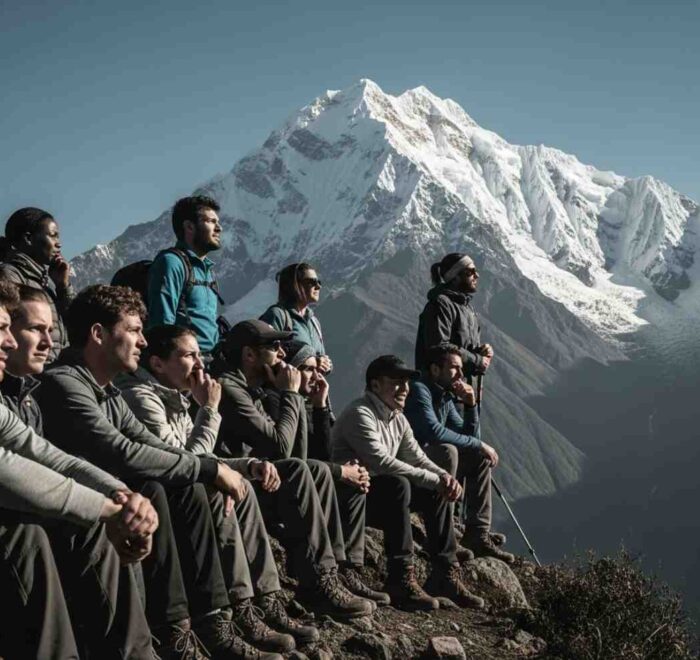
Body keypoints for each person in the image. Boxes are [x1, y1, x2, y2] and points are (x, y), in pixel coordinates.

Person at [36, 285, 284, 660]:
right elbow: (123, 453)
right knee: (165, 486)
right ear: (99, 334)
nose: (142, 341)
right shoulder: (64, 383)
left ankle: (207, 622)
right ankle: (172, 634)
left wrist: (218, 468)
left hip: (110, 495)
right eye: (134, 330)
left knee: (188, 485)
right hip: (77, 508)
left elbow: (157, 448)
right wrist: (209, 467)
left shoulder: (105, 392)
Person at [117, 324, 319, 647]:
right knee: (215, 490)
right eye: (189, 356)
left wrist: (248, 467)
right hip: (167, 498)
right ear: (157, 364)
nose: (200, 364)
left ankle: (262, 600)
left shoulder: (177, 396)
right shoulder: (143, 399)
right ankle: (226, 614)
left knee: (243, 485)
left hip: (182, 485)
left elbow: (203, 457)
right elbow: (184, 463)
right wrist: (209, 410)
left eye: (200, 355)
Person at [0, 279, 158, 659]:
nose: (7, 341)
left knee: (116, 509)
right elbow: (7, 468)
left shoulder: (27, 400)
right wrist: (110, 510)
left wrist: (122, 498)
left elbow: (44, 454)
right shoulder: (63, 384)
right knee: (25, 536)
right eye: (3, 329)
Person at [211, 319, 374, 619]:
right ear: (249, 355)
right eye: (273, 347)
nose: (282, 354)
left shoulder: (252, 390)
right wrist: (291, 394)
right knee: (302, 471)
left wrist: (302, 400)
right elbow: (281, 450)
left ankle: (329, 574)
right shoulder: (231, 390)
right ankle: (318, 582)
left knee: (317, 471)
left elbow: (296, 454)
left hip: (257, 480)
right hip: (235, 489)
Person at [332, 355, 485, 611]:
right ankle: (400, 578)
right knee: (398, 484)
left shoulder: (397, 418)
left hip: (382, 496)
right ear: (375, 385)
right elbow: (382, 462)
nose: (405, 389)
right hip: (353, 499)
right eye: (396, 382)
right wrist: (435, 479)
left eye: (406, 383)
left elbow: (417, 457)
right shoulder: (360, 413)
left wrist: (444, 477)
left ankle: (445, 573)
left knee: (431, 490)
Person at [262, 339, 390, 607]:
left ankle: (348, 569)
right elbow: (294, 458)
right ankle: (326, 575)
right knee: (344, 477)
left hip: (311, 477)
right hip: (282, 487)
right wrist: (342, 471)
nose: (316, 375)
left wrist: (320, 407)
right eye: (307, 369)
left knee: (356, 484)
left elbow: (322, 455)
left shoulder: (307, 403)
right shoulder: (277, 401)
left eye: (316, 368)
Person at [404, 344, 514, 563]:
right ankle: (445, 532)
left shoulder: (445, 396)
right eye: (455, 367)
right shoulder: (419, 390)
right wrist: (478, 443)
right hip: (411, 469)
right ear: (435, 369)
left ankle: (477, 533)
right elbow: (432, 432)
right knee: (448, 451)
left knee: (477, 457)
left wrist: (471, 406)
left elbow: (467, 436)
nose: (461, 374)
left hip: (430, 465)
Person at [147, 195, 224, 356]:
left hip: (211, 361)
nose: (219, 228)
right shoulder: (171, 263)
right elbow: (162, 326)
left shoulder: (208, 270)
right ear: (189, 226)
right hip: (186, 363)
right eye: (210, 221)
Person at [0, 207, 74, 362]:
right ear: (28, 238)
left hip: (51, 370)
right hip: (33, 376)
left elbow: (74, 327)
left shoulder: (46, 285)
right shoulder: (10, 276)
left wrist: (63, 287)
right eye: (53, 236)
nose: (58, 244)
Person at [414, 253, 493, 378]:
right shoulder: (441, 304)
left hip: (461, 389)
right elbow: (439, 346)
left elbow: (465, 348)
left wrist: (482, 352)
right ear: (455, 276)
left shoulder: (468, 308)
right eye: (470, 272)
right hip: (439, 390)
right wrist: (477, 360)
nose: (476, 275)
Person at [260, 263, 332, 375]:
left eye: (319, 282)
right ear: (294, 285)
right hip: (284, 389)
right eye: (312, 282)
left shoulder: (314, 322)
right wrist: (311, 362)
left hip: (309, 391)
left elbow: (321, 358)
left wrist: (325, 364)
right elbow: (264, 357)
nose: (318, 286)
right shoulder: (277, 315)